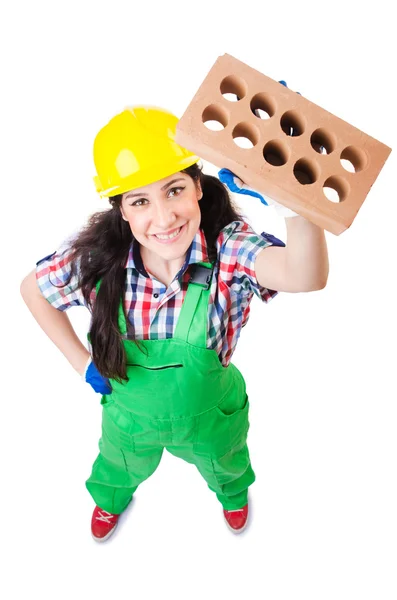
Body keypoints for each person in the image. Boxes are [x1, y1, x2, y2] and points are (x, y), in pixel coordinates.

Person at [20, 105, 329, 542]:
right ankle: (110, 500)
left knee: (227, 461)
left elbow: (305, 276)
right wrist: (81, 363)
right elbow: (32, 291)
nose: (164, 219)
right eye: (140, 200)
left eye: (174, 190)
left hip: (211, 418)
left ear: (197, 188)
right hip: (129, 419)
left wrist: (294, 207)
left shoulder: (228, 251)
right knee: (116, 464)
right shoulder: (97, 262)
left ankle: (233, 495)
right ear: (121, 210)